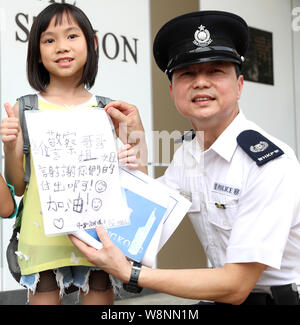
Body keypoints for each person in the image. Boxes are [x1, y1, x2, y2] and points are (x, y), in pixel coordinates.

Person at [70, 10, 300, 305]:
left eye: (216, 71)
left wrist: (132, 273)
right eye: (188, 74)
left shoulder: (269, 163)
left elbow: (236, 284)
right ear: (172, 90)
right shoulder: (190, 153)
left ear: (239, 85)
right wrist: (135, 137)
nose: (201, 83)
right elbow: (148, 211)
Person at [0, 3, 138, 305]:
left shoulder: (109, 110)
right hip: (42, 240)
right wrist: (11, 148)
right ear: (37, 52)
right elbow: (18, 188)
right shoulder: (25, 108)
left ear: (92, 43)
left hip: (98, 236)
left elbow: (136, 174)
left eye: (72, 36)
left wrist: (134, 143)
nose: (61, 47)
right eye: (49, 40)